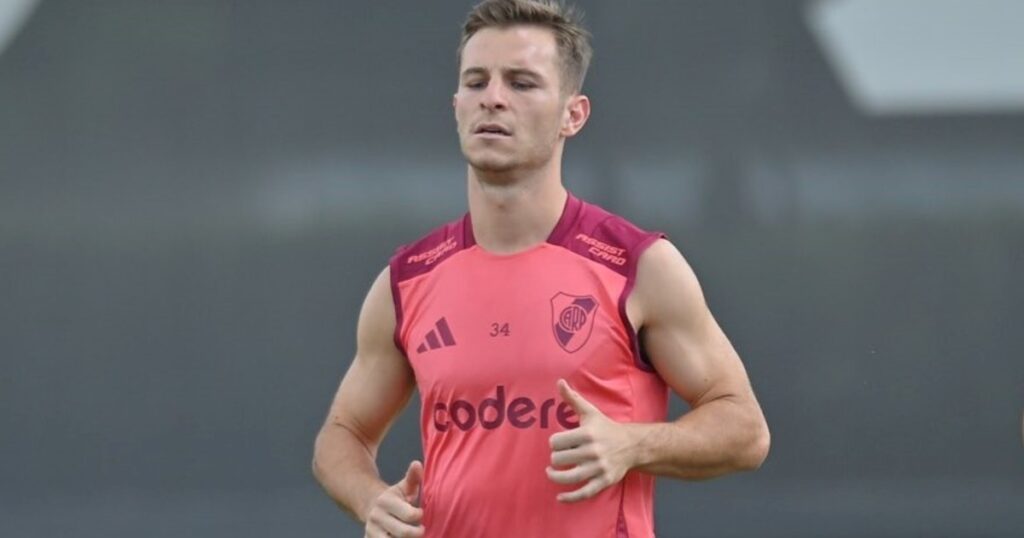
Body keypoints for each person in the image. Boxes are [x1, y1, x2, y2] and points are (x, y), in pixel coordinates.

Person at [312, 1, 770, 536]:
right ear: (456, 105)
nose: (493, 98)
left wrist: (633, 444)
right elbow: (341, 435)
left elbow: (745, 429)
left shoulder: (638, 268)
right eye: (476, 82)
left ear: (573, 115)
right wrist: (370, 499)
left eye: (522, 83)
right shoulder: (408, 280)